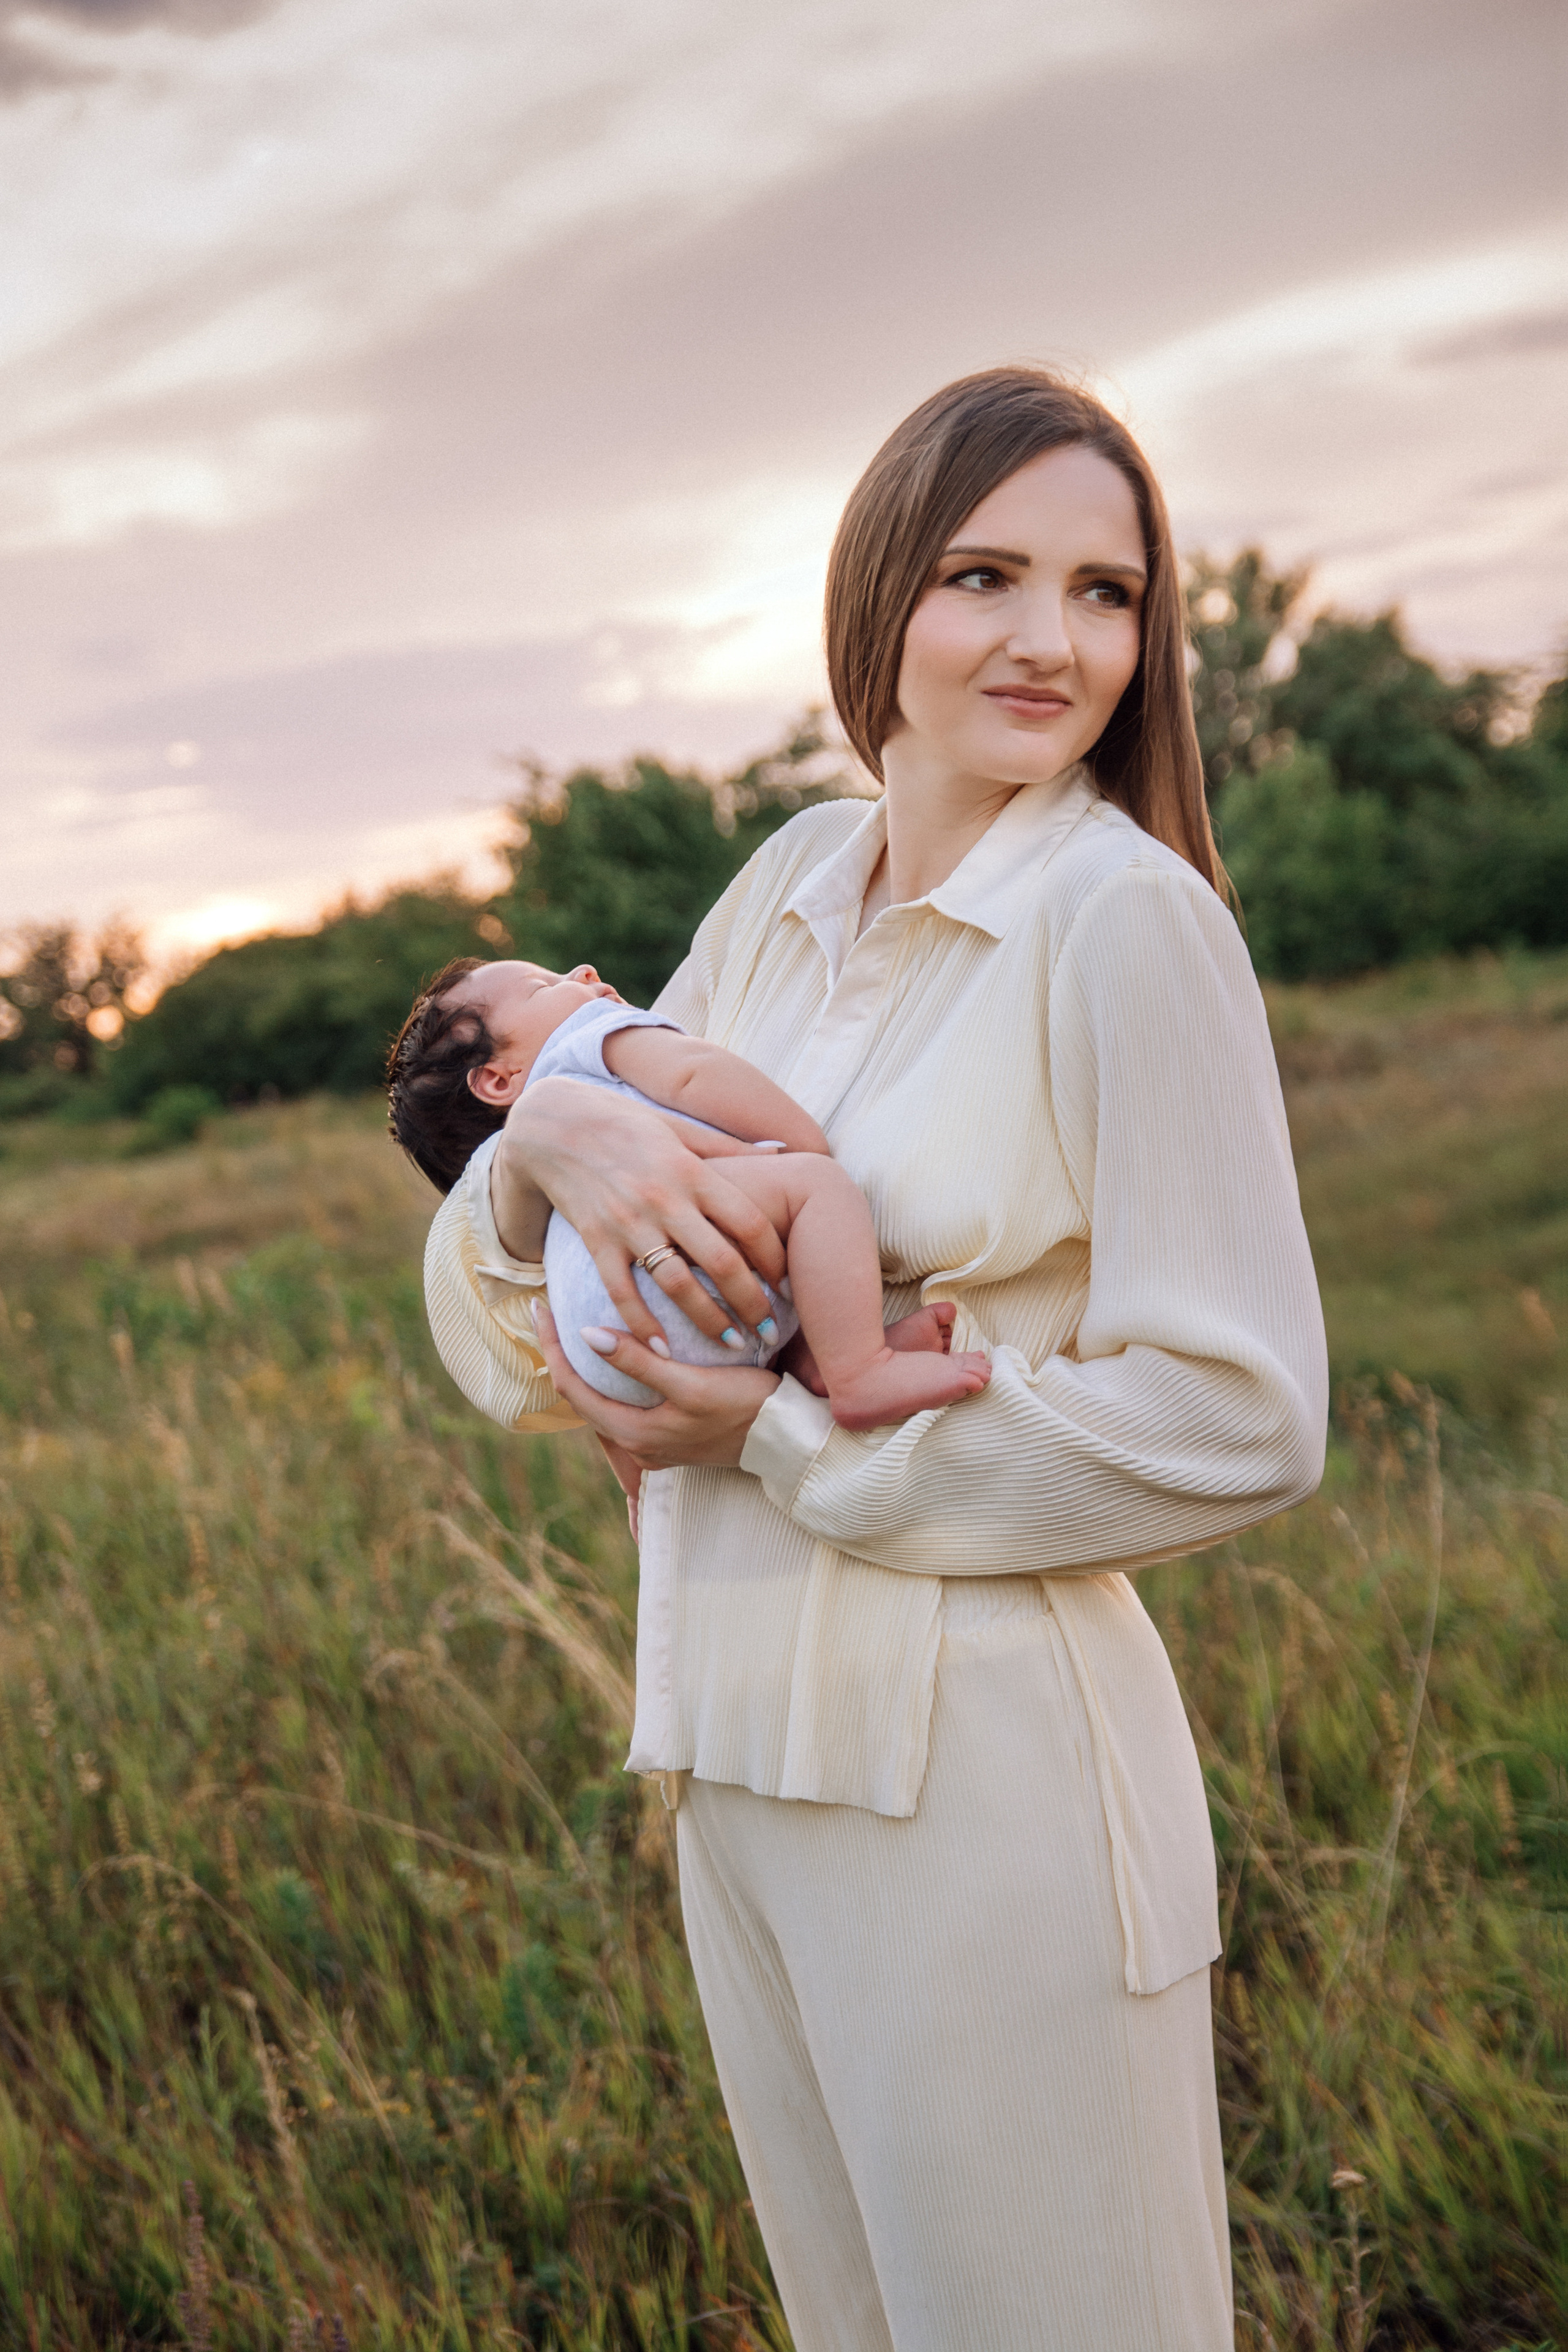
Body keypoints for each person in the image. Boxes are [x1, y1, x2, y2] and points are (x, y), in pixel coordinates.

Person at [420, 364, 1329, 2351]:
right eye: (986, 575)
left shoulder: (1124, 924)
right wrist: (531, 1162)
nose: (1051, 641)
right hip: (735, 1758)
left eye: (1107, 592)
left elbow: (1248, 1415)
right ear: (877, 601)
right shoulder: (781, 899)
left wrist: (786, 1436)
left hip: (980, 1783)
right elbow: (520, 1356)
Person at [386, 956, 989, 1426]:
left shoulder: (552, 1188)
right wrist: (796, 1141)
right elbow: (690, 1071)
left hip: (610, 1357)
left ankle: (802, 1363)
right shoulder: (592, 1039)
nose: (584, 973)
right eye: (545, 987)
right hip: (690, 1290)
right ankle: (860, 1368)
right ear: (497, 1079)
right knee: (814, 1189)